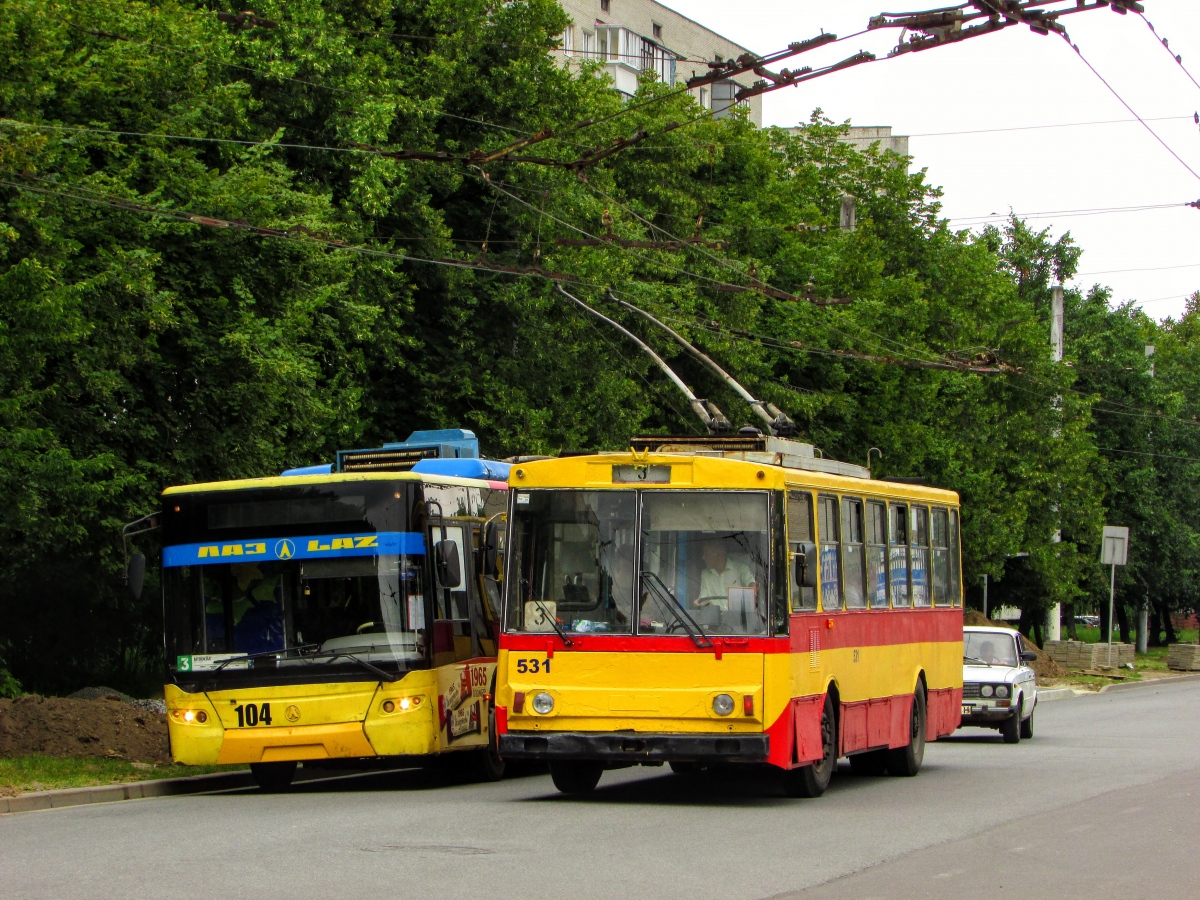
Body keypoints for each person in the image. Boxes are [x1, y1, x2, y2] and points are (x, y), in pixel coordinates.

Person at [696, 539, 756, 611]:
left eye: (706, 553)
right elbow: (703, 600)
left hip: (738, 619)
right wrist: (696, 603)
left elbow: (752, 585)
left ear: (718, 554)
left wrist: (746, 596)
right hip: (715, 620)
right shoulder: (705, 574)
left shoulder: (741, 568)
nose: (703, 557)